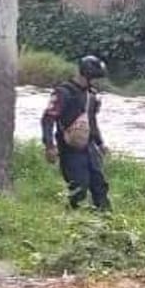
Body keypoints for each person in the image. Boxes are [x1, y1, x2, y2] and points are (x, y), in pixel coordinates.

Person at [41, 55, 112, 212]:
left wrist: (101, 144)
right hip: (69, 149)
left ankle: (107, 221)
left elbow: (91, 122)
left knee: (99, 185)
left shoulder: (91, 96)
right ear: (86, 75)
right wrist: (49, 145)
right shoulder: (63, 93)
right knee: (79, 187)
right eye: (95, 78)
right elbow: (48, 119)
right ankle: (74, 221)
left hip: (89, 147)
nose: (97, 82)